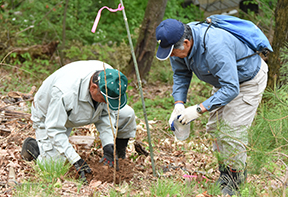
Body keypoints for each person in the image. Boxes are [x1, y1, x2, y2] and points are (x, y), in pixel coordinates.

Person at [155, 18, 268, 196]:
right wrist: (179, 104)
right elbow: (181, 74)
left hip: (247, 81)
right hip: (224, 81)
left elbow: (232, 88)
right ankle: (226, 173)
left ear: (186, 43)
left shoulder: (215, 47)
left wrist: (199, 109)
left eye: (173, 52)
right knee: (215, 129)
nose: (171, 56)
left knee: (231, 132)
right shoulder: (177, 46)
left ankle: (235, 182)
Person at [21, 60, 136, 183]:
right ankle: (34, 148)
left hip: (82, 110)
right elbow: (54, 129)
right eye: (105, 99)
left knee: (127, 114)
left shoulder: (110, 77)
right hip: (50, 115)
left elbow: (106, 114)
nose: (108, 103)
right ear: (93, 88)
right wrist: (75, 159)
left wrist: (108, 144)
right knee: (53, 167)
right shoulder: (63, 92)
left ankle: (116, 154)